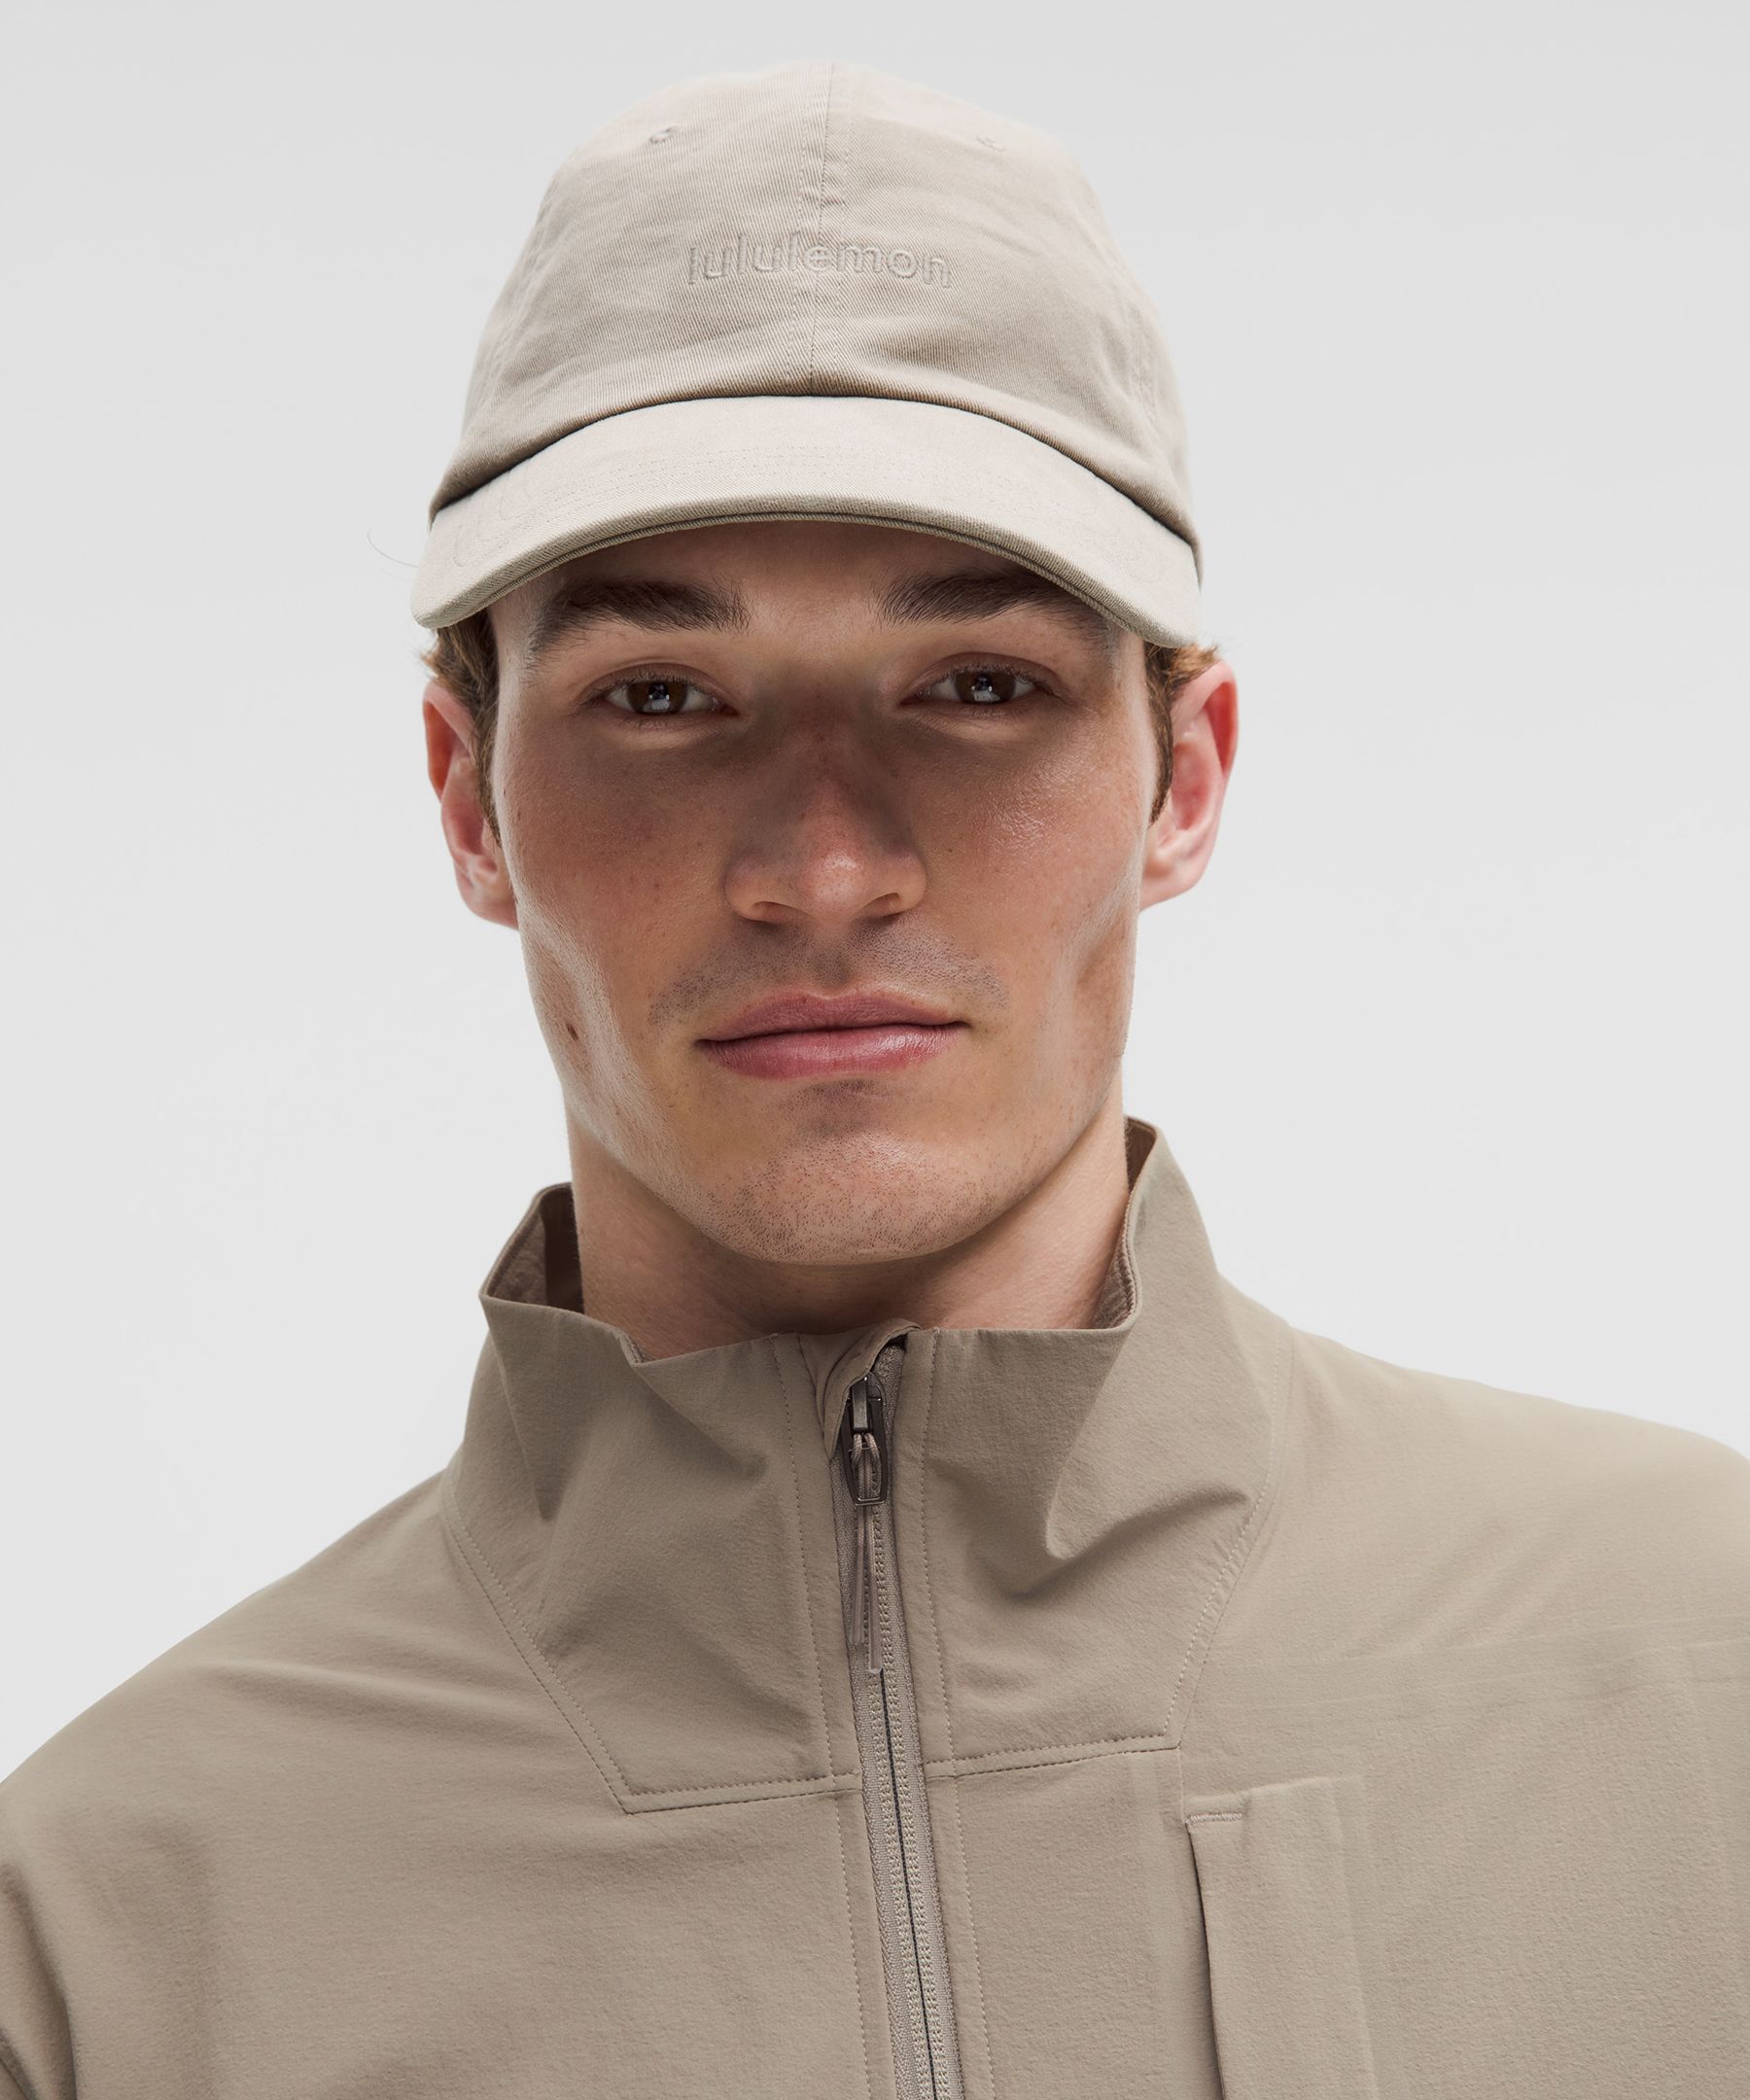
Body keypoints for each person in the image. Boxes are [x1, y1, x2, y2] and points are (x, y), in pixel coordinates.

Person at [2, 57, 1746, 2100]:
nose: (825, 868)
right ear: (469, 800)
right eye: (664, 696)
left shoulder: (1700, 1684)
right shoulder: (110, 1946)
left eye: (979, 686)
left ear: (1183, 779)